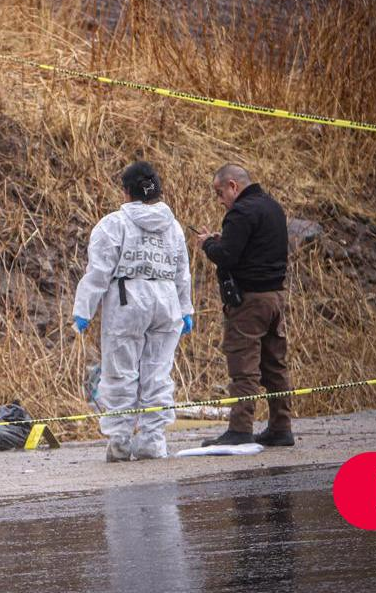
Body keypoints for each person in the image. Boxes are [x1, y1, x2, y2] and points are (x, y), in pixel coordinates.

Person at [72, 161, 194, 461]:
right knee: (158, 372)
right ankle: (153, 440)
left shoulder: (114, 224)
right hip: (166, 301)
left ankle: (120, 441)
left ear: (126, 191)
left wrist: (83, 310)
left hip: (128, 301)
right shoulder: (173, 226)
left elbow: (98, 271)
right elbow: (182, 272)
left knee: (121, 372)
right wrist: (185, 307)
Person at [195, 164, 294, 447]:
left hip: (249, 302)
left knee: (244, 366)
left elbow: (228, 256)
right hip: (275, 298)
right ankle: (280, 426)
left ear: (233, 186)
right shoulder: (272, 207)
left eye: (219, 193)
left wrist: (207, 244)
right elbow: (251, 249)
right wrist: (221, 240)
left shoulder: (240, 212)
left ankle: (240, 428)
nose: (220, 200)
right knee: (275, 365)